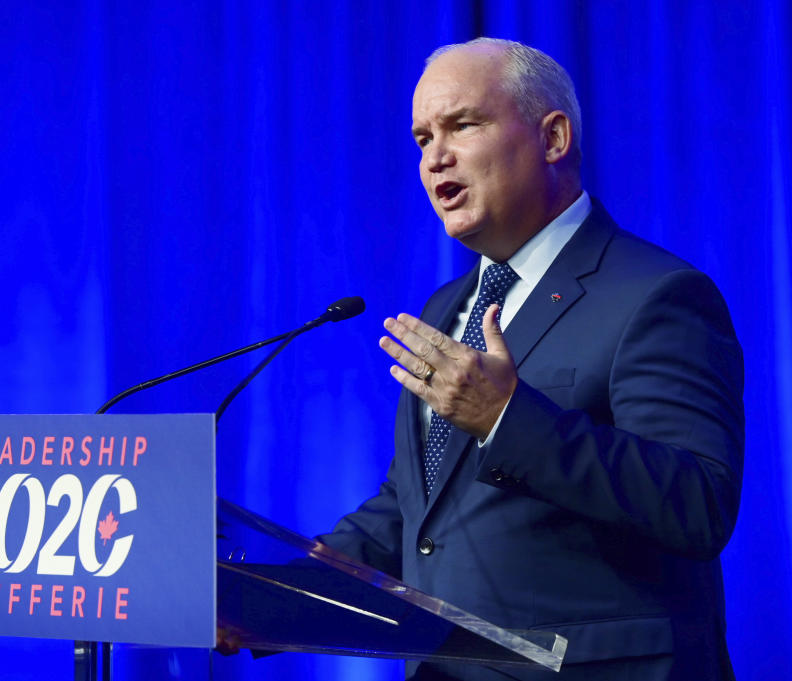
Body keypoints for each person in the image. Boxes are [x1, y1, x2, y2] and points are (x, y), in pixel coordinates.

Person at [316, 38, 744, 680]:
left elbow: (697, 501)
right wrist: (277, 590)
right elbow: (416, 512)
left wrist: (506, 418)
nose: (437, 158)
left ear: (552, 137)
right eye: (423, 139)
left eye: (463, 125)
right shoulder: (445, 308)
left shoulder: (657, 294)